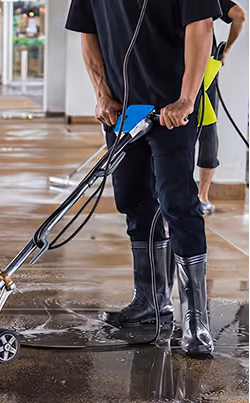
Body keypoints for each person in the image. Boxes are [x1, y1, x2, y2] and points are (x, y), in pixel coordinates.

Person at [66, 0, 223, 356]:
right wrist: (102, 94)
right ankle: (151, 301)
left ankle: (196, 319)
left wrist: (187, 99)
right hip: (123, 110)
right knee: (135, 201)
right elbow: (87, 31)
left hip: (172, 111)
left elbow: (201, 27)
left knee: (179, 205)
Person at [198, 0, 246, 215]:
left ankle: (168, 196)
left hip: (172, 70)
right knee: (207, 129)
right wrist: (224, 52)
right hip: (204, 67)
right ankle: (201, 197)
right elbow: (239, 15)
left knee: (169, 130)